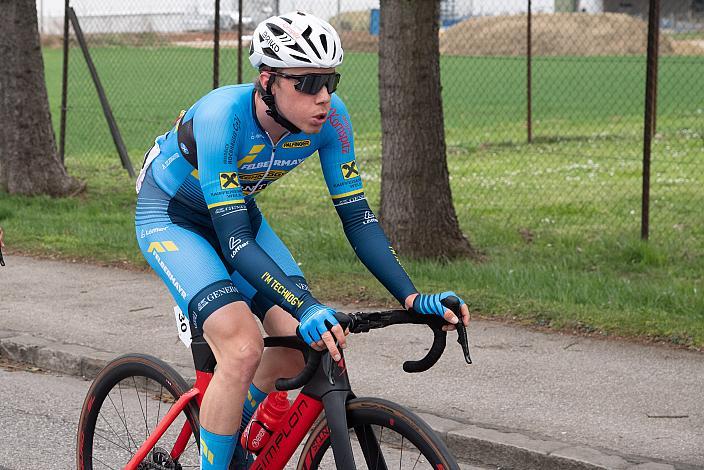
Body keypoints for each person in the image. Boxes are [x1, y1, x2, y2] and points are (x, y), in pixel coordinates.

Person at [135, 11, 470, 470]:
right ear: (268, 80)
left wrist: (413, 296)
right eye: (308, 82)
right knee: (243, 346)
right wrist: (307, 305)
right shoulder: (221, 117)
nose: (324, 97)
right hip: (173, 218)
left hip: (237, 217)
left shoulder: (333, 122)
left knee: (301, 346)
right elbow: (234, 245)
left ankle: (231, 429)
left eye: (330, 80)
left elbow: (358, 218)